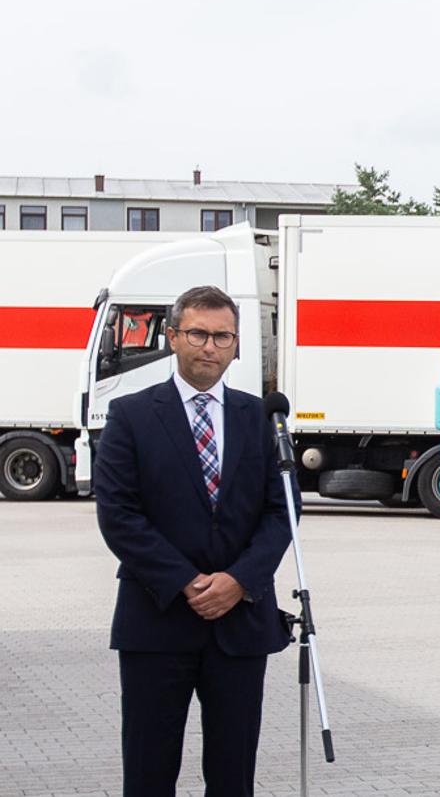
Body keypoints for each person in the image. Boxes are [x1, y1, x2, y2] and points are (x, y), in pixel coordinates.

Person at [94, 285, 294, 797]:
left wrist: (239, 581)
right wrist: (185, 581)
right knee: (148, 772)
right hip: (156, 622)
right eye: (198, 334)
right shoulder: (131, 415)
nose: (210, 346)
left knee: (233, 776)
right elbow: (119, 514)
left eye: (222, 336)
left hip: (241, 624)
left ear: (236, 344)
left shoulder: (261, 418)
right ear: (173, 336)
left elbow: (282, 512)